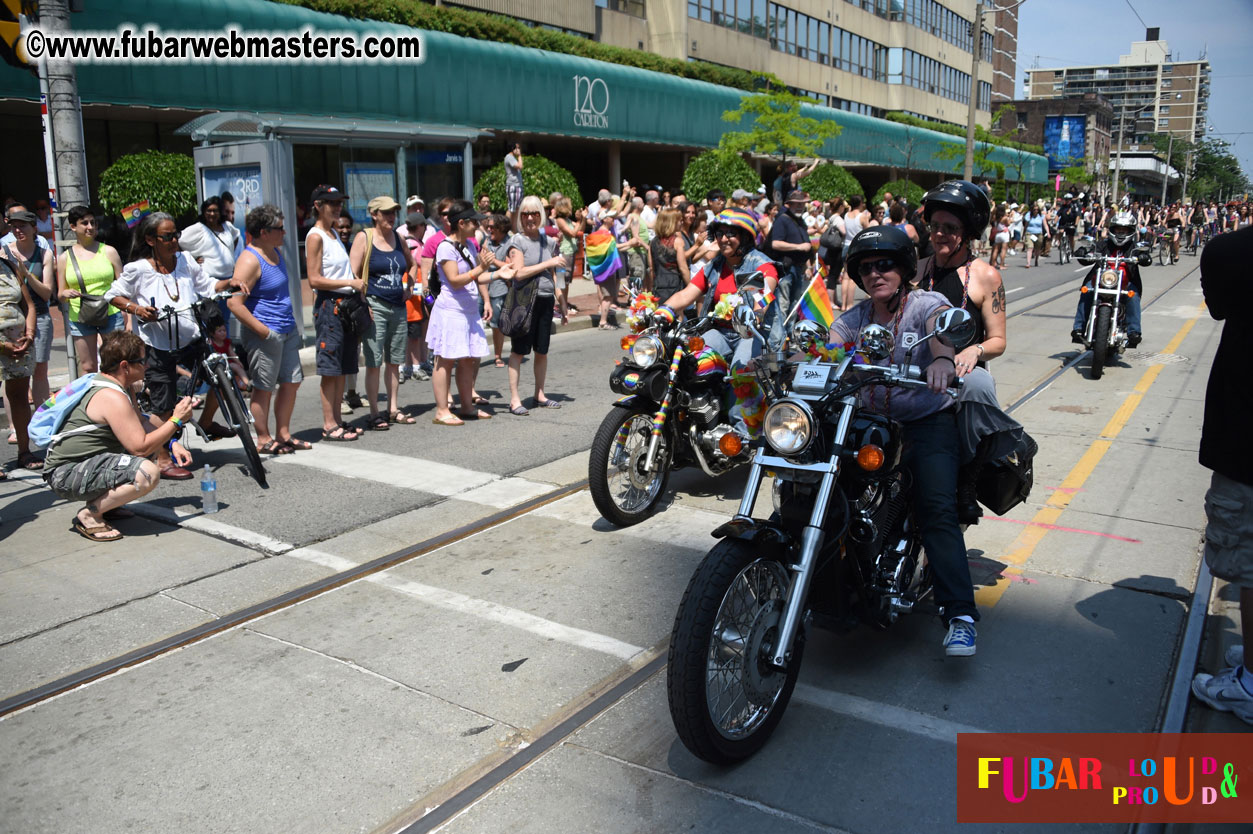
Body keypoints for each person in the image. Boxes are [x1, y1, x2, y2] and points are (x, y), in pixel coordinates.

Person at [834, 226, 979, 656]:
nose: (875, 274)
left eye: (884, 265)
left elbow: (940, 327)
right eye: (866, 268)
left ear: (902, 268)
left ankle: (960, 616)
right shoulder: (856, 318)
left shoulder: (924, 304)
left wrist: (940, 358)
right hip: (868, 423)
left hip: (925, 421)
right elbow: (829, 343)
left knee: (935, 509)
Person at [917, 180, 1023, 525]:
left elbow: (998, 341)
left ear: (967, 233)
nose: (940, 235)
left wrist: (975, 351)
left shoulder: (986, 276)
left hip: (962, 371)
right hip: (917, 367)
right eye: (935, 227)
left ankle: (967, 480)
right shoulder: (917, 271)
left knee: (979, 387)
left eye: (951, 228)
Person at [106, 212, 239, 477]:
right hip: (157, 344)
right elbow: (113, 295)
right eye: (167, 237)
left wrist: (230, 282)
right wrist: (137, 308)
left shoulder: (186, 260)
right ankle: (163, 458)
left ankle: (208, 421)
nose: (174, 240)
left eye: (175, 234)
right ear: (151, 240)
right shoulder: (139, 269)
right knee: (163, 404)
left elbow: (208, 285)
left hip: (191, 338)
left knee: (223, 375)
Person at [41, 331, 194, 541]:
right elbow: (139, 447)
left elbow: (139, 423)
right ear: (125, 366)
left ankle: (108, 506)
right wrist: (176, 420)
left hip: (84, 464)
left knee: (149, 452)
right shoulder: (111, 396)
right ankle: (90, 514)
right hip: (66, 473)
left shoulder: (121, 387)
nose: (147, 365)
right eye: (142, 361)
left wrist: (172, 442)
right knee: (147, 472)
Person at [1191, 224, 1253, 724]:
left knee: (1250, 567)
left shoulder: (1233, 250)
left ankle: (1249, 684)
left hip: (1248, 447)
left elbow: (1219, 306)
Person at [653, 208, 778, 438]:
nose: (723, 238)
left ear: (745, 237)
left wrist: (756, 314)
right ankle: (698, 418)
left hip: (754, 333)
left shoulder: (761, 264)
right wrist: (661, 312)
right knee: (689, 359)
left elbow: (764, 293)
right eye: (719, 233)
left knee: (742, 371)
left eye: (730, 233)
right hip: (722, 331)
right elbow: (686, 294)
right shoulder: (715, 266)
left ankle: (743, 438)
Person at [224, 205, 306, 454]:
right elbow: (234, 303)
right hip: (266, 333)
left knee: (292, 382)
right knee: (264, 387)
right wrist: (263, 331)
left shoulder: (275, 251)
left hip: (287, 328)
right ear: (263, 231)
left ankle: (283, 433)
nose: (284, 232)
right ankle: (263, 438)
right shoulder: (250, 260)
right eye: (279, 228)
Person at [427, 199, 506, 426]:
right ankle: (442, 411)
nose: (478, 225)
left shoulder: (470, 245)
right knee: (445, 361)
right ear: (461, 223)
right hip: (451, 312)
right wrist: (481, 267)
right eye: (474, 222)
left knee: (467, 361)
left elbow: (477, 277)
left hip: (468, 312)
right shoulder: (445, 247)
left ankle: (467, 407)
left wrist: (499, 274)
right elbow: (454, 280)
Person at [348, 196, 416, 431]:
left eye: (393, 212)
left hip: (398, 306)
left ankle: (393, 408)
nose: (391, 216)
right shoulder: (364, 237)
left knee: (395, 361)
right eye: (386, 212)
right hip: (374, 305)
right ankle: (375, 412)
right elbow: (353, 275)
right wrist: (363, 301)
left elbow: (412, 263)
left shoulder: (398, 237)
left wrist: (410, 286)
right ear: (374, 214)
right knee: (375, 361)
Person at [305, 185, 362, 442]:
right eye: (331, 203)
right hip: (330, 306)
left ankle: (337, 419)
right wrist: (350, 283)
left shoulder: (334, 233)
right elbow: (314, 280)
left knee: (342, 367)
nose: (337, 207)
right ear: (318, 205)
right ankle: (329, 424)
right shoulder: (315, 236)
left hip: (346, 305)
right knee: (330, 369)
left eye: (339, 202)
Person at [505, 195, 566, 417]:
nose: (530, 218)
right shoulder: (517, 241)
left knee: (542, 350)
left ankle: (540, 394)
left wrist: (562, 301)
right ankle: (514, 399)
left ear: (541, 215)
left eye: (534, 213)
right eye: (526, 214)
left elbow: (556, 275)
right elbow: (518, 273)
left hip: (546, 298)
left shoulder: (548, 242)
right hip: (524, 301)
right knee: (519, 351)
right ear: (521, 216)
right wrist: (548, 262)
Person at [58, 206, 124, 374]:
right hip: (80, 316)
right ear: (73, 227)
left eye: (93, 223)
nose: (90, 227)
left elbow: (123, 287)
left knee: (117, 363)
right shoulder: (65, 258)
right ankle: (93, 399)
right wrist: (65, 293)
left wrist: (128, 316)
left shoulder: (109, 251)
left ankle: (123, 398)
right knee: (88, 367)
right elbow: (60, 294)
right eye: (84, 223)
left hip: (111, 312)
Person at [4, 211, 55, 409]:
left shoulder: (44, 253)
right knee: (12, 373)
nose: (18, 230)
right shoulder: (3, 252)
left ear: (34, 228)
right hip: (12, 319)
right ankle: (15, 427)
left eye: (23, 226)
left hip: (40, 317)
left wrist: (24, 272)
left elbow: (46, 292)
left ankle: (42, 420)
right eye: (14, 226)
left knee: (40, 371)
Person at [1070, 211, 1143, 349]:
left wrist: (1144, 257)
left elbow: (1143, 255)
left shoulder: (1133, 248)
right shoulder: (1104, 244)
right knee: (1086, 291)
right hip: (1100, 280)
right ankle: (1078, 329)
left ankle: (1134, 333)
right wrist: (1083, 253)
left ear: (1131, 231)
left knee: (1133, 296)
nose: (1121, 232)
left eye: (1125, 230)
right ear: (1112, 229)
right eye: (1118, 229)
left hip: (1126, 283)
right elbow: (1092, 251)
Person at [179, 195, 244, 332]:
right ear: (204, 212)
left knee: (224, 319)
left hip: (227, 280)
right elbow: (178, 241)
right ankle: (211, 350)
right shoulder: (199, 228)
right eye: (209, 210)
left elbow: (236, 236)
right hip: (209, 281)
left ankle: (224, 349)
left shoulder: (227, 226)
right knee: (211, 319)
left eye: (215, 210)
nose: (212, 214)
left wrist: (229, 255)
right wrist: (193, 258)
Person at [0, 249, 38, 472]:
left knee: (20, 396)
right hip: (3, 344)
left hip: (19, 340)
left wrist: (30, 334)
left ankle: (24, 451)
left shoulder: (9, 266)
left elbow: (29, 305)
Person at [769, 191, 814, 330]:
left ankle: (789, 334)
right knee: (783, 303)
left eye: (803, 204)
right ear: (789, 204)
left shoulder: (800, 221)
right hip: (786, 269)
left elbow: (806, 244)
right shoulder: (782, 220)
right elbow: (775, 243)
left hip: (798, 267)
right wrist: (799, 247)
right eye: (797, 203)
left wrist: (808, 267)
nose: (800, 206)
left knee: (795, 303)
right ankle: (780, 337)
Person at [483, 214, 514, 368]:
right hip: (483, 285)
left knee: (496, 323)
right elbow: (481, 258)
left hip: (500, 287)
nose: (489, 229)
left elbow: (510, 266)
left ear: (501, 228)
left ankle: (497, 355)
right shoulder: (487, 241)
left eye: (492, 227)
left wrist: (492, 259)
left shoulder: (510, 243)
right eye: (488, 226)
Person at [649, 207, 690, 308]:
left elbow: (651, 268)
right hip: (674, 283)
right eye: (679, 220)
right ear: (672, 222)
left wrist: (651, 288)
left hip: (658, 284)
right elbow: (683, 268)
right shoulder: (678, 241)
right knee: (677, 313)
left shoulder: (653, 242)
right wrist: (690, 287)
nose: (682, 222)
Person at [552, 197, 581, 317]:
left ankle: (564, 304)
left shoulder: (567, 219)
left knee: (567, 280)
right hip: (564, 253)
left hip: (570, 252)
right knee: (561, 280)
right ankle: (560, 305)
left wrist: (582, 219)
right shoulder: (560, 220)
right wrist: (579, 221)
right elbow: (573, 233)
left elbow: (579, 229)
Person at [1023, 203, 1049, 268]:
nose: (1036, 211)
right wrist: (1023, 234)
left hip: (1038, 233)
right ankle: (1028, 263)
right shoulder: (1028, 215)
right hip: (1029, 233)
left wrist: (1048, 233)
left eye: (1037, 209)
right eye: (1034, 209)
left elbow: (1045, 225)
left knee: (1038, 248)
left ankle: (1036, 259)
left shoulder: (1041, 216)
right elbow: (1025, 225)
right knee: (1030, 247)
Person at [505, 143, 524, 227]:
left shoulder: (512, 158)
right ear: (513, 149)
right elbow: (520, 166)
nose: (519, 150)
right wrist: (519, 156)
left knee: (517, 209)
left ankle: (514, 229)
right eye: (517, 148)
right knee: (511, 208)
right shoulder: (509, 157)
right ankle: (504, 228)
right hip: (513, 186)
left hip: (517, 186)